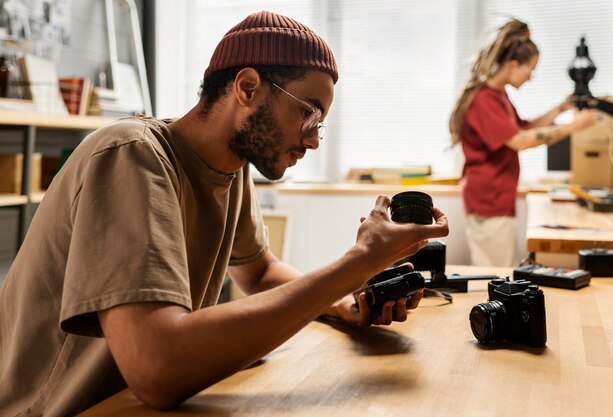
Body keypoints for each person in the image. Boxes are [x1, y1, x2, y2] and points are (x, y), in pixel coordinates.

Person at [0, 11, 448, 415]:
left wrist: (343, 302)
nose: (313, 140)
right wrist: (357, 264)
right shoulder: (131, 156)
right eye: (308, 114)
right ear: (248, 87)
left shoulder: (232, 169)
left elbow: (259, 272)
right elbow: (159, 367)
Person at [449, 18, 600, 267]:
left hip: (496, 198)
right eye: (529, 71)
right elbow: (518, 141)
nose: (530, 78)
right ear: (512, 65)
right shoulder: (484, 100)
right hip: (489, 200)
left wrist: (560, 109)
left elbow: (523, 128)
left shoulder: (498, 96)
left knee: (503, 267)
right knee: (497, 273)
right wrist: (574, 126)